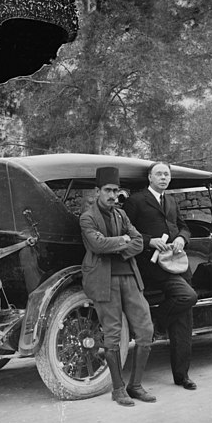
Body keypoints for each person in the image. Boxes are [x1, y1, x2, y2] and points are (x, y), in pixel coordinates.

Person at [79, 166, 156, 406]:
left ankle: (135, 385)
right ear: (97, 191)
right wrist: (122, 241)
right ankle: (117, 389)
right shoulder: (87, 217)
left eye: (116, 190)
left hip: (130, 277)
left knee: (145, 331)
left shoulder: (121, 215)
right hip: (104, 281)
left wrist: (119, 244)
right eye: (108, 190)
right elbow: (97, 246)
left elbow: (138, 243)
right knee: (112, 336)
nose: (113, 195)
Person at [124, 162, 199, 390]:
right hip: (151, 267)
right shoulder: (136, 201)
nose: (163, 178)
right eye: (159, 174)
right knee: (188, 296)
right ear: (150, 177)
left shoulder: (171, 201)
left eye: (167, 174)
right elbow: (124, 232)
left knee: (184, 320)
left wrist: (181, 239)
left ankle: (181, 376)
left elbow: (184, 227)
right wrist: (149, 241)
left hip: (177, 264)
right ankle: (157, 323)